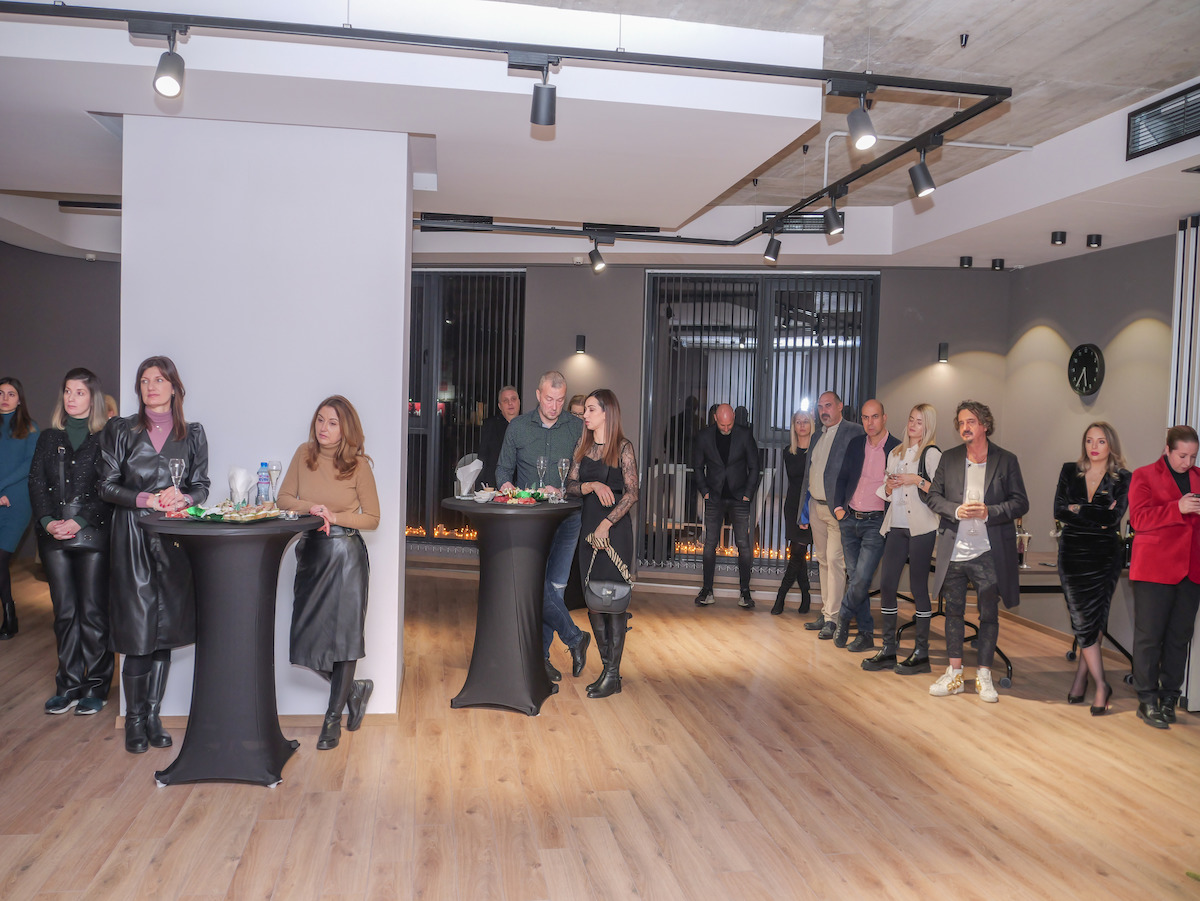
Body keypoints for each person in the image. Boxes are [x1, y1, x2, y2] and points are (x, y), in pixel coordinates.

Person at [98, 356, 209, 753]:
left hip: (175, 540)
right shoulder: (120, 430)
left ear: (174, 388)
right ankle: (133, 719)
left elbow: (201, 486)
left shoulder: (193, 434)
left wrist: (185, 498)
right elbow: (106, 486)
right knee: (137, 632)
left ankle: (153, 716)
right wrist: (147, 498)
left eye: (159, 380)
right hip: (132, 536)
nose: (151, 387)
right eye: (144, 381)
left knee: (165, 630)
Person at [278, 396, 380, 750]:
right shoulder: (303, 454)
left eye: (333, 422)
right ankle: (355, 690)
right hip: (311, 553)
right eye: (320, 420)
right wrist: (313, 509)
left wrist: (334, 516)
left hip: (346, 554)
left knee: (344, 639)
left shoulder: (358, 465)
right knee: (304, 640)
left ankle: (332, 719)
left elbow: (372, 518)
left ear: (345, 428)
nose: (323, 428)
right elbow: (283, 499)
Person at [926, 400, 1028, 703]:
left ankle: (984, 674)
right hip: (955, 549)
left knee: (988, 614)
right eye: (960, 423)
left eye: (970, 421)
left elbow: (1020, 502)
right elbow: (933, 497)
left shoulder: (1006, 460)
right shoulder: (949, 458)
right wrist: (955, 510)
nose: (965, 427)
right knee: (953, 612)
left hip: (989, 551)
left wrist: (989, 511)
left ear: (984, 424)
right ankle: (955, 674)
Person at [29, 368, 114, 715]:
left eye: (79, 392)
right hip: (53, 536)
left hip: (92, 532)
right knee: (64, 612)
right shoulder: (48, 437)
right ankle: (68, 685)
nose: (71, 397)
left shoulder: (106, 437)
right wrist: (48, 522)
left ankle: (97, 686)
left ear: (92, 398)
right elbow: (36, 483)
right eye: (67, 391)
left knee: (92, 612)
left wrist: (78, 521)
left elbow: (108, 487)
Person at [496, 371, 589, 682]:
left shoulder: (576, 428)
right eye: (549, 399)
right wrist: (508, 487)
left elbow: (585, 473)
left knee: (555, 589)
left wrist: (565, 490)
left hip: (567, 520)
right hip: (531, 520)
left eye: (560, 400)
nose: (554, 406)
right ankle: (575, 637)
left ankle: (542, 659)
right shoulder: (519, 427)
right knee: (535, 584)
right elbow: (503, 470)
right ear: (538, 395)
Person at [565, 389, 638, 698]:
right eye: (585, 410)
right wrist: (592, 485)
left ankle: (611, 674)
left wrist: (607, 525)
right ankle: (609, 670)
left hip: (614, 533)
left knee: (614, 602)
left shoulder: (623, 448)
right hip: (587, 532)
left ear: (607, 413)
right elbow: (569, 486)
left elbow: (632, 493)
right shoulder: (582, 447)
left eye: (591, 409)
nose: (585, 414)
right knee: (594, 603)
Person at [1054, 422, 1130, 715]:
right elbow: (1059, 511)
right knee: (1081, 618)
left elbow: (1113, 520)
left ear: (1111, 445)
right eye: (1089, 440)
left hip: (1105, 556)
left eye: (1100, 441)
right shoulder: (1069, 471)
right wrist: (1094, 513)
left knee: (1094, 619)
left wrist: (1077, 509)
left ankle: (1087, 681)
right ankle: (1100, 683)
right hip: (1072, 553)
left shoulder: (1123, 477)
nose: (1094, 447)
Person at [1127, 425, 1200, 729]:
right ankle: (1146, 700)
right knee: (1149, 637)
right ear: (1167, 450)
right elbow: (1138, 519)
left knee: (1179, 638)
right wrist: (1177, 508)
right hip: (1154, 570)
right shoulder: (1144, 475)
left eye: (1193, 456)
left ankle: (1169, 698)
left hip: (1191, 571)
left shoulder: (1199, 477)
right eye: (1182, 455)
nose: (1187, 462)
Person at [867, 404, 941, 674]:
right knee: (887, 585)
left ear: (928, 426)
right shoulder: (895, 453)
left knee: (918, 588)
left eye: (919, 422)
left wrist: (915, 479)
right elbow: (888, 492)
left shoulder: (932, 454)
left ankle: (921, 653)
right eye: (911, 419)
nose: (913, 425)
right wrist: (889, 487)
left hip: (922, 528)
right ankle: (888, 649)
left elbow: (939, 493)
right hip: (896, 525)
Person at [831, 400, 900, 651]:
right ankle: (865, 633)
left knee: (861, 579)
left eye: (875, 417)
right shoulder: (855, 444)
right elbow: (842, 477)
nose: (870, 423)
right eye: (865, 418)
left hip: (876, 523)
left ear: (884, 417)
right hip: (849, 519)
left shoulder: (896, 449)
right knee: (855, 578)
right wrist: (838, 508)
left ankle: (842, 616)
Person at [803, 391, 865, 637]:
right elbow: (810, 473)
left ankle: (834, 618)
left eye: (828, 405)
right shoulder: (817, 435)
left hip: (837, 510)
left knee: (835, 561)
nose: (823, 411)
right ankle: (827, 612)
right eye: (820, 407)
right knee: (823, 561)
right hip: (816, 507)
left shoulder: (854, 432)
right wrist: (803, 510)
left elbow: (860, 471)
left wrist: (846, 504)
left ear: (840, 406)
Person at [692, 403, 761, 608]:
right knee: (709, 545)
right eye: (722, 425)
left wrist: (748, 494)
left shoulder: (744, 435)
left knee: (744, 545)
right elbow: (697, 467)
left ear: (733, 419)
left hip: (739, 498)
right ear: (715, 418)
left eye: (729, 424)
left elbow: (755, 467)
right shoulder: (704, 436)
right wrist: (705, 491)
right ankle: (707, 590)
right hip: (714, 497)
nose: (726, 428)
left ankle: (745, 592)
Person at [0, 376, 38, 640]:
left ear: (19, 399)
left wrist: (1, 489)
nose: (5, 398)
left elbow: (28, 465)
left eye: (11, 394)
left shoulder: (31, 428)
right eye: (0, 393)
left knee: (1, 558)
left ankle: (9, 613)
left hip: (17, 501)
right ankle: (9, 614)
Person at [773, 409, 814, 615]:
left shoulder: (817, 450)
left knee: (797, 551)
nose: (802, 425)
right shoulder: (788, 452)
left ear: (811, 424)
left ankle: (781, 595)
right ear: (794, 426)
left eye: (806, 421)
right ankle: (806, 594)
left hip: (810, 506)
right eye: (798, 422)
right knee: (798, 553)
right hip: (792, 505)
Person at [476, 385, 520, 489]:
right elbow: (483, 459)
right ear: (500, 406)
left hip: (522, 487)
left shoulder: (528, 426)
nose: (510, 403)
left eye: (513, 399)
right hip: (494, 485)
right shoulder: (490, 426)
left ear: (519, 402)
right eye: (505, 400)